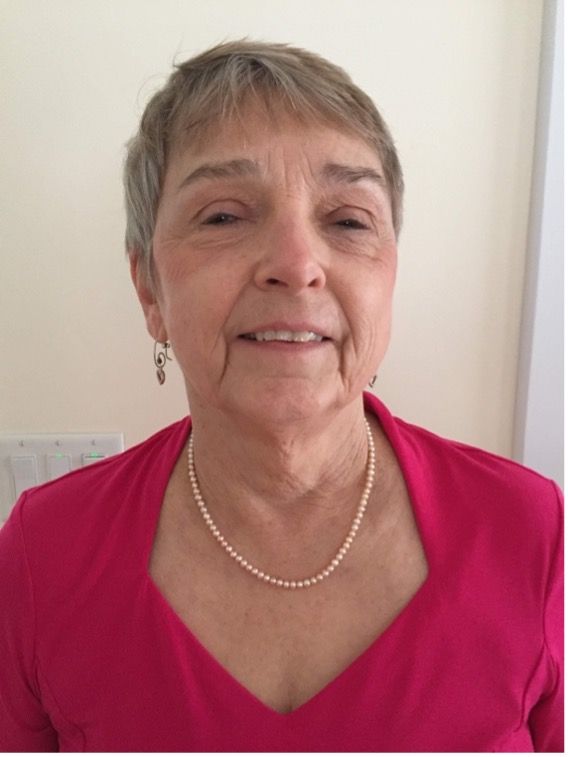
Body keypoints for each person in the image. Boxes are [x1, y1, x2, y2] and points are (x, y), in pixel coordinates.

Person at [0, 40, 562, 752]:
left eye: (349, 220)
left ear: (390, 275)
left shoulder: (536, 536)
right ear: (149, 289)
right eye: (225, 216)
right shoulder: (42, 556)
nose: (296, 266)